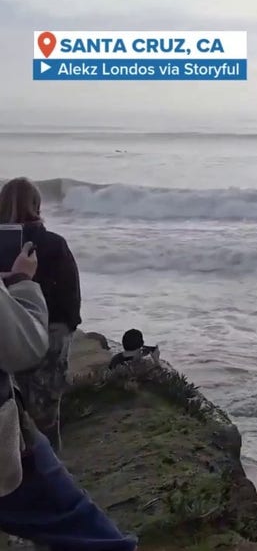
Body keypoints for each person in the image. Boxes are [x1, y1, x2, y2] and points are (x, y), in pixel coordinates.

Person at [0, 243, 137, 550]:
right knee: (81, 523)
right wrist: (22, 282)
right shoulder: (54, 246)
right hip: (7, 443)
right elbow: (26, 345)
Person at [0, 178, 81, 453]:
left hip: (9, 333)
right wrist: (67, 328)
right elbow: (71, 296)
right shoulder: (54, 244)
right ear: (38, 205)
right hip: (52, 331)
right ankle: (51, 472)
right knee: (46, 413)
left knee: (12, 411)